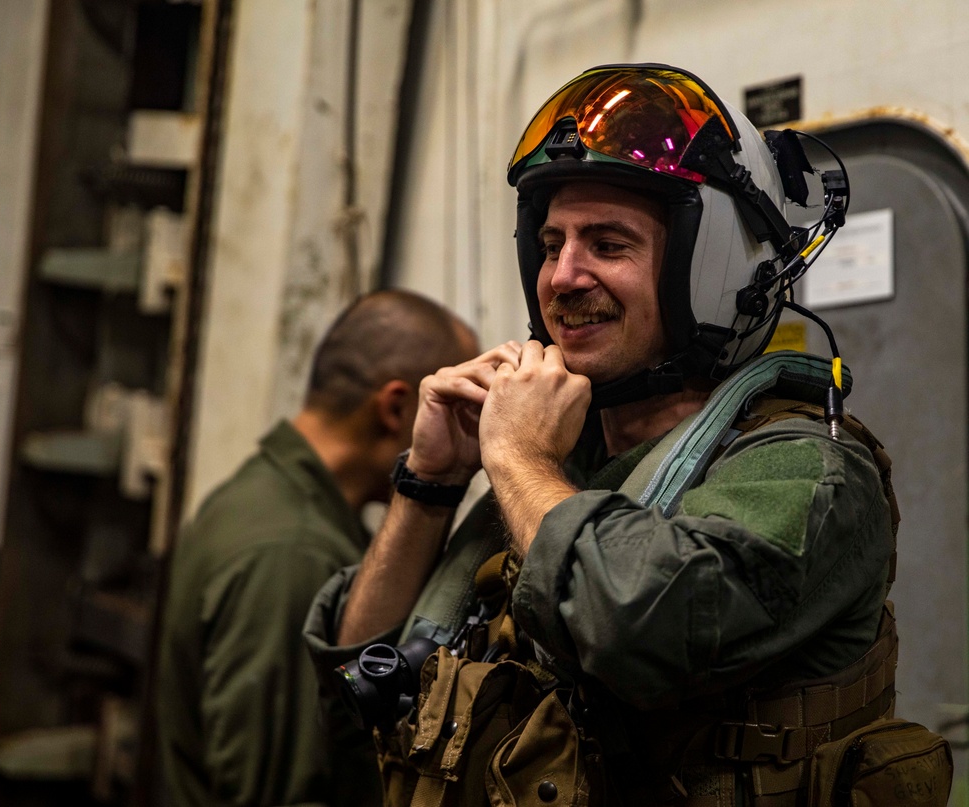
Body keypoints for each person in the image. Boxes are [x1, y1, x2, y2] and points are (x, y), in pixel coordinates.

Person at [306, 65, 950, 806]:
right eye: (551, 244)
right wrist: (429, 484)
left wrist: (514, 455)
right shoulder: (558, 463)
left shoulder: (808, 473)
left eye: (608, 243)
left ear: (708, 270)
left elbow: (634, 624)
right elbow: (355, 695)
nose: (563, 276)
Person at [156, 289, 479, 807]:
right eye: (457, 411)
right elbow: (284, 790)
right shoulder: (293, 553)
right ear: (396, 408)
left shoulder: (261, 496)